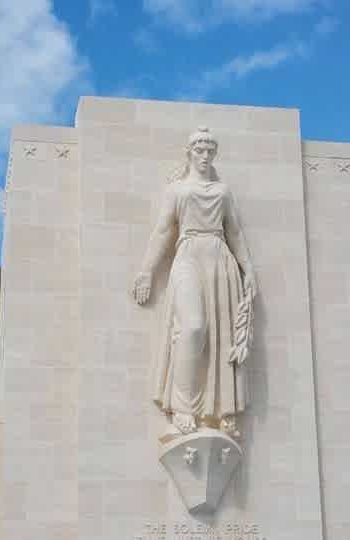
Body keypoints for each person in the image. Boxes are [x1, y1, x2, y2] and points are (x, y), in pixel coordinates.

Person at [131, 126, 256, 440]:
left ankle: (220, 411)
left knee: (221, 336)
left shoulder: (223, 192)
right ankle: (182, 406)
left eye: (210, 151)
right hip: (187, 253)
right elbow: (162, 232)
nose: (204, 156)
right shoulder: (176, 190)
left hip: (219, 257)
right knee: (194, 327)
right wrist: (146, 271)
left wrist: (248, 269)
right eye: (199, 150)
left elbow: (236, 233)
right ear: (189, 153)